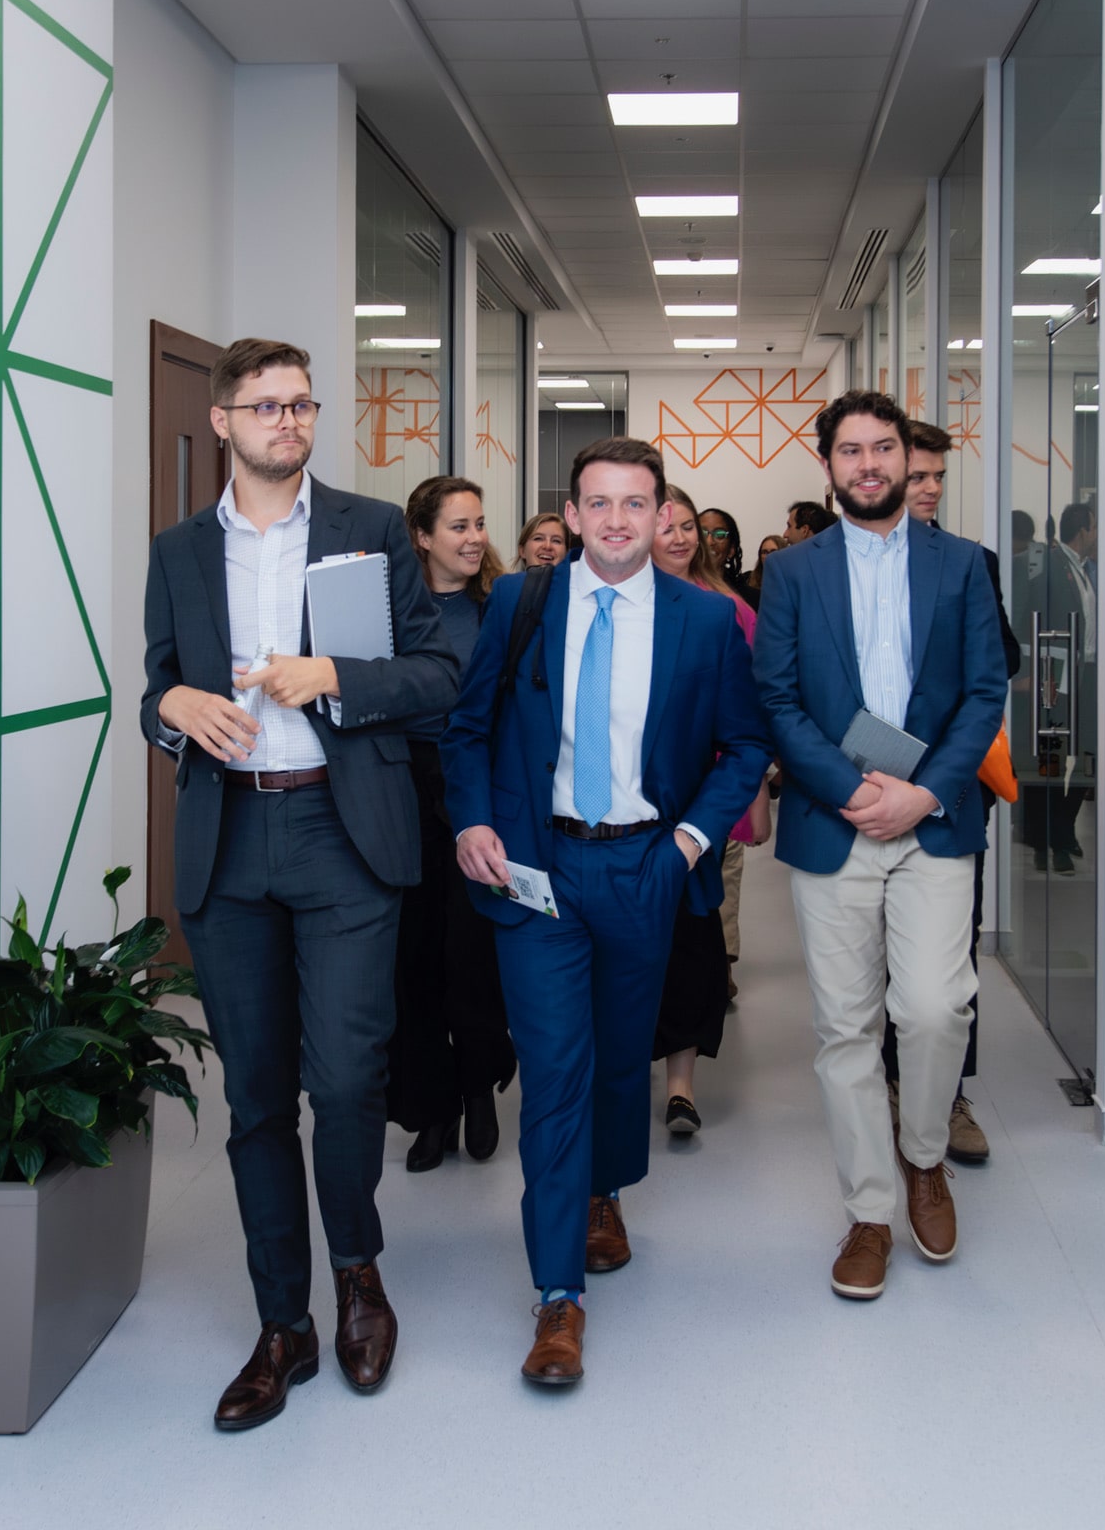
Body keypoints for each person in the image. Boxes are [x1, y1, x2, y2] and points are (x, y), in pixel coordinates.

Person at [141, 337, 459, 1430]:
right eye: (267, 405)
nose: (289, 420)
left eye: (303, 404)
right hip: (229, 841)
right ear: (222, 420)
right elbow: (154, 688)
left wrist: (335, 677)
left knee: (352, 1077)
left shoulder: (368, 530)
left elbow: (434, 674)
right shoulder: (179, 551)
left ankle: (359, 1273)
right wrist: (170, 709)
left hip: (340, 830)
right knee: (258, 1098)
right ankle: (284, 1323)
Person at [441, 437, 770, 1384]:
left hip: (642, 867)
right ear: (572, 514)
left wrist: (686, 845)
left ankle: (606, 1187)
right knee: (553, 1072)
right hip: (537, 871)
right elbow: (467, 731)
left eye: (638, 504)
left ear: (663, 515)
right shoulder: (519, 603)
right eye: (599, 503)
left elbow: (744, 749)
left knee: (623, 1058)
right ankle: (557, 1300)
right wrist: (471, 819)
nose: (618, 522)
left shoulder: (705, 624)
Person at [753, 389, 1006, 1302]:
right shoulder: (793, 572)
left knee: (937, 1009)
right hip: (837, 822)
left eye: (884, 449)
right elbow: (776, 699)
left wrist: (926, 790)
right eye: (851, 450)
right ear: (828, 466)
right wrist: (855, 788)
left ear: (908, 462)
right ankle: (869, 1209)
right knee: (846, 1027)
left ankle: (924, 1157)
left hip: (934, 822)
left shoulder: (965, 566)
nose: (868, 464)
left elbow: (985, 693)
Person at [878, 420, 1021, 1166]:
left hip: (952, 790)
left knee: (950, 959)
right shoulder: (846, 563)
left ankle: (949, 1095)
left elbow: (1002, 660)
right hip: (868, 786)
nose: (930, 487)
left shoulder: (973, 563)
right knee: (874, 956)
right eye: (920, 474)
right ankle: (889, 1087)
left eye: (938, 477)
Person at [388, 477, 518, 1172]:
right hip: (402, 791)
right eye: (459, 526)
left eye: (479, 524)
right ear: (422, 536)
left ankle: (478, 1088)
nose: (474, 538)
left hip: (479, 794)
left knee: (474, 955)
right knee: (413, 959)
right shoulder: (389, 613)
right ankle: (427, 1110)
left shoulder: (500, 606)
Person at [647, 487, 771, 1136]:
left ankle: (681, 1086)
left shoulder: (727, 611)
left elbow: (752, 715)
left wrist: (745, 796)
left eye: (688, 526)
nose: (678, 536)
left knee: (697, 942)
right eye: (663, 524)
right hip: (629, 818)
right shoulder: (609, 608)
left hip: (708, 803)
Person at [1019, 499, 1098, 873]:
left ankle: (1062, 830)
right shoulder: (1049, 565)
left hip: (1087, 674)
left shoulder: (1088, 569)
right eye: (1095, 528)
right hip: (1056, 675)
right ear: (1083, 531)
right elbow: (1030, 619)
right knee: (1049, 756)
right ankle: (1044, 837)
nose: (1098, 535)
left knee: (1086, 756)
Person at [743, 533, 786, 609]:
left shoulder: (791, 582)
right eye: (764, 552)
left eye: (773, 551)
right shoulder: (746, 579)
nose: (768, 556)